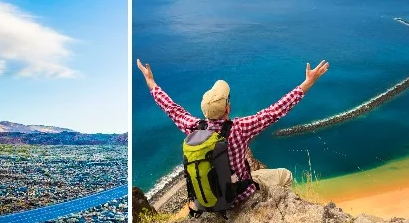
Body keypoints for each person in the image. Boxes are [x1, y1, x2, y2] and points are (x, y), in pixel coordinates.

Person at [136, 58, 329, 214]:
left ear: (205, 112)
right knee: (285, 175)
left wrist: (151, 82)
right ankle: (284, 213)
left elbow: (171, 109)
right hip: (240, 195)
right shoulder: (240, 127)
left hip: (210, 197)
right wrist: (308, 82)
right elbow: (275, 111)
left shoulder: (194, 128)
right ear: (228, 107)